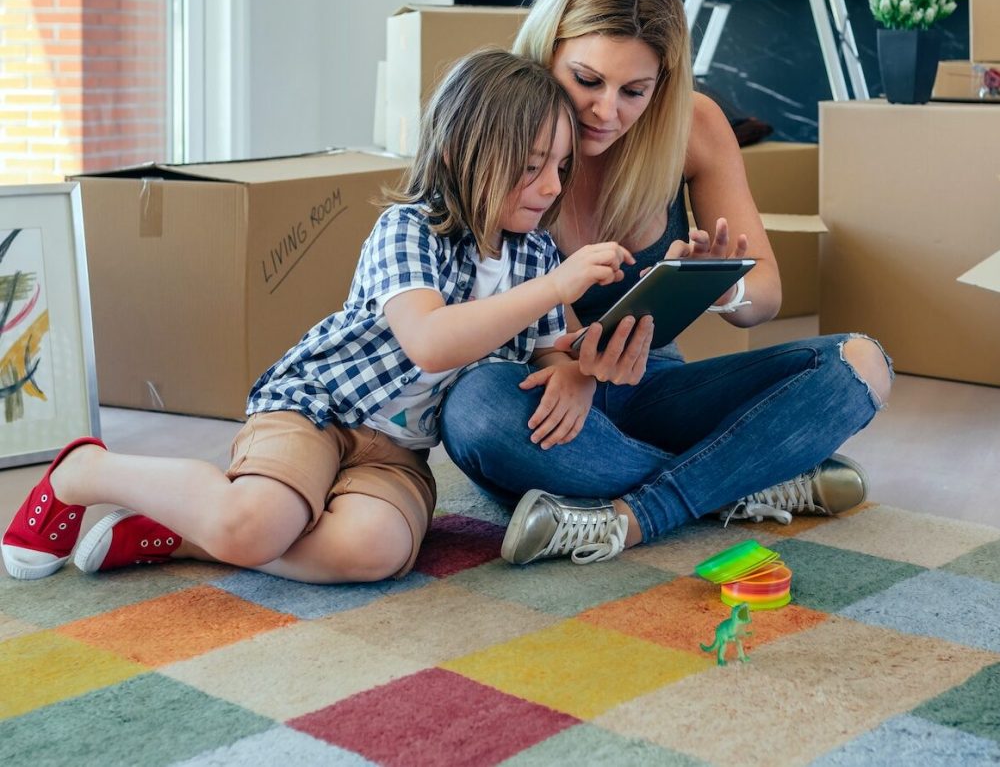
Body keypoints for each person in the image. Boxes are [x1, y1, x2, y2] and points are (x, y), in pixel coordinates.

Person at [1, 49, 633, 584]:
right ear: (459, 154)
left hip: (398, 452)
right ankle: (85, 471)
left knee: (377, 552)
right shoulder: (410, 230)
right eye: (530, 168)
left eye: (560, 166)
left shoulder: (535, 253)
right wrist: (557, 284)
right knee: (255, 525)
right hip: (317, 406)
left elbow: (553, 345)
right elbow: (431, 342)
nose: (551, 186)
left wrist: (575, 367)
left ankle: (187, 534)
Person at [439, 0, 893, 566]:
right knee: (474, 411)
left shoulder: (693, 126)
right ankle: (740, 478)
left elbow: (767, 298)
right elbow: (464, 316)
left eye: (634, 92)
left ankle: (630, 516)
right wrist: (575, 365)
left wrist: (720, 286)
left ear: (664, 83)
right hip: (544, 393)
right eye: (586, 80)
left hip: (656, 388)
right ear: (547, 52)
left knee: (860, 364)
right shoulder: (495, 125)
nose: (606, 112)